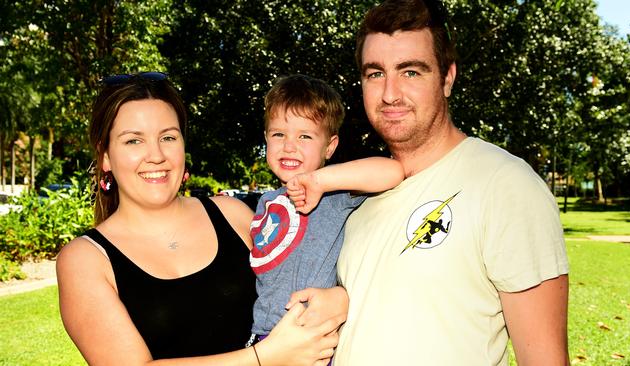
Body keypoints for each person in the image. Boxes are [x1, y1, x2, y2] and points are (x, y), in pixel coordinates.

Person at [334, 1, 570, 365]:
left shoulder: (504, 184)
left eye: (411, 72)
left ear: (447, 78)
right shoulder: (354, 196)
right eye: (375, 73)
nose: (390, 94)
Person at [56, 72, 345, 365]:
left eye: (168, 137)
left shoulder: (232, 215)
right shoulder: (85, 259)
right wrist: (265, 357)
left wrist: (340, 298)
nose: (155, 155)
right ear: (105, 156)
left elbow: (307, 268)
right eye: (133, 141)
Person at [249, 74, 404, 345]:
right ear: (266, 138)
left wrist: (320, 181)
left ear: (329, 147)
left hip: (311, 339)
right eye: (278, 134)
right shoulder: (266, 202)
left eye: (305, 136)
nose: (289, 146)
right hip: (264, 337)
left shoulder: (332, 193)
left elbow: (392, 170)